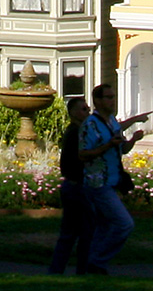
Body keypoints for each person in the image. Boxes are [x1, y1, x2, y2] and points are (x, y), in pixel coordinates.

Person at [78, 84, 150, 275]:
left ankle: (90, 265)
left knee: (104, 226)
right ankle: (97, 262)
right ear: (98, 101)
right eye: (108, 97)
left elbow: (122, 148)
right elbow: (83, 154)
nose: (112, 100)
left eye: (113, 96)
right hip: (97, 183)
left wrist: (133, 138)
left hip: (111, 181)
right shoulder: (90, 125)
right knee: (124, 223)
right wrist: (107, 146)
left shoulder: (111, 121)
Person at [49, 97, 95, 274]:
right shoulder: (76, 133)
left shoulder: (75, 131)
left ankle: (58, 270)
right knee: (84, 233)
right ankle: (80, 271)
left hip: (73, 187)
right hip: (77, 187)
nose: (87, 112)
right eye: (84, 109)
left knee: (73, 233)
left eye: (88, 109)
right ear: (74, 112)